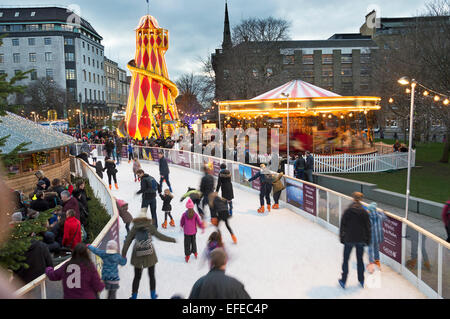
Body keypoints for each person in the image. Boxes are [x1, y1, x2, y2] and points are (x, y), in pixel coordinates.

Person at [121, 209, 176, 299]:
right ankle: (153, 295)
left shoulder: (135, 227)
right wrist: (172, 239)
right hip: (150, 255)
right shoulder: (149, 226)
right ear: (146, 218)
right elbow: (160, 236)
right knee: (151, 276)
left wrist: (123, 253)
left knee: (137, 277)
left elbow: (128, 241)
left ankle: (134, 296)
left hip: (137, 256)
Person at [338, 192, 371, 289]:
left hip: (349, 239)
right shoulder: (364, 212)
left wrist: (342, 237)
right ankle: (361, 280)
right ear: (361, 200)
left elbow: (343, 224)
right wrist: (368, 240)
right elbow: (368, 227)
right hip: (360, 239)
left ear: (353, 198)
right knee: (360, 260)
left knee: (346, 260)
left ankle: (343, 280)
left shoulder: (348, 211)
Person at [180, 198, 205, 262]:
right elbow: (199, 222)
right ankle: (195, 252)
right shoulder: (195, 214)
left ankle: (187, 255)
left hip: (187, 232)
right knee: (193, 242)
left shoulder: (184, 214)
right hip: (193, 232)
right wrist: (202, 227)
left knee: (187, 243)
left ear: (187, 207)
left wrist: (181, 226)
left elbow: (182, 221)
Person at [365, 202, 386, 271]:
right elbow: (384, 218)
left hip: (370, 238)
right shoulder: (379, 216)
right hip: (377, 237)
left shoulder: (367, 218)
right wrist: (382, 212)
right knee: (376, 249)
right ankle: (377, 262)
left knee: (370, 250)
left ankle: (371, 263)